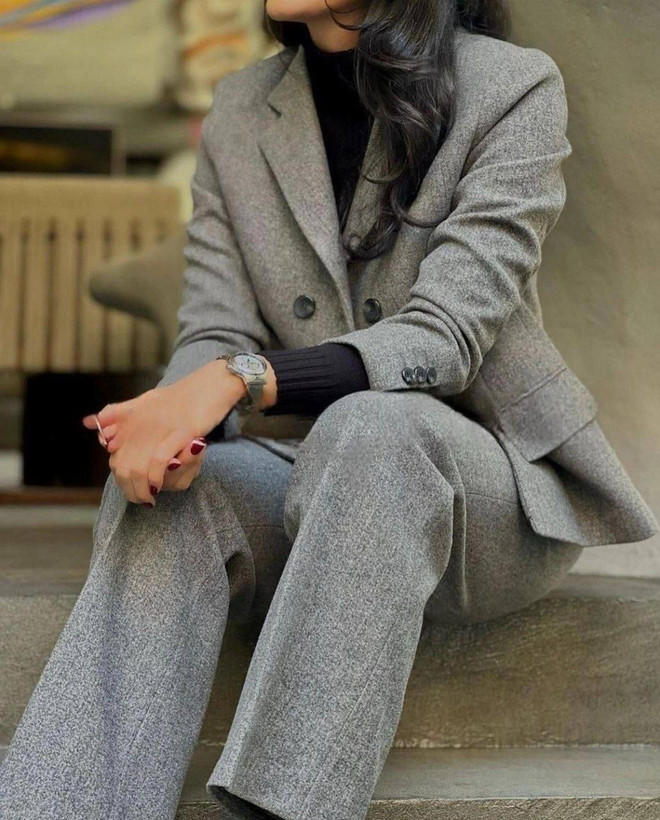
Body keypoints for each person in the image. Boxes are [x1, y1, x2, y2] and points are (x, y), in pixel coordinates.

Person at [1, 1, 657, 819]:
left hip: (481, 493)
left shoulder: (511, 86)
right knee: (173, 494)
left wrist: (238, 380)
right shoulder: (245, 106)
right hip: (311, 473)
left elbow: (446, 336)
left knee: (372, 430)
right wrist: (172, 426)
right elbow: (214, 329)